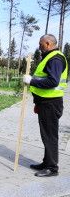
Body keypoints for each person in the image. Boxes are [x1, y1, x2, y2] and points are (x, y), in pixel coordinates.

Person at [23, 34, 68, 177]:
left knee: (50, 136)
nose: (39, 46)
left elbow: (53, 82)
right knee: (46, 135)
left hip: (51, 103)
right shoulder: (50, 57)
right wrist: (37, 101)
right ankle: (46, 162)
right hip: (45, 103)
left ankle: (52, 168)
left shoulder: (55, 59)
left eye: (40, 44)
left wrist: (32, 82)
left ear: (48, 43)